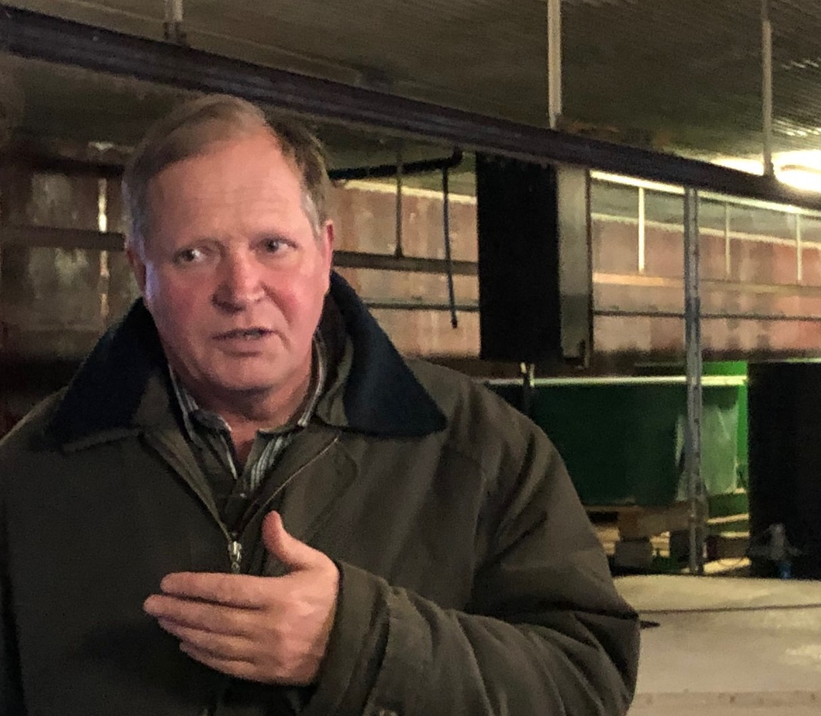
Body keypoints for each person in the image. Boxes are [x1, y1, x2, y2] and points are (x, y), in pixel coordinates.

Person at [0, 94, 640, 716]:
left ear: (325, 251)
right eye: (194, 255)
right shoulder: (32, 475)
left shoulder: (480, 450)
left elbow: (586, 679)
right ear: (141, 272)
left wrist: (363, 646)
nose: (241, 289)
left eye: (272, 246)